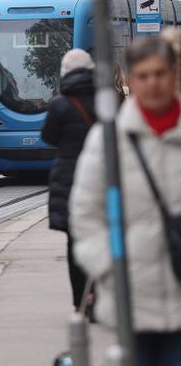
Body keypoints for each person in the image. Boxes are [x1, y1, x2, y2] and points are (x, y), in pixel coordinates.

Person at [70, 38, 181, 366]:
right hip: (132, 299)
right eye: (143, 75)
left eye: (160, 73)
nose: (153, 83)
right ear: (130, 80)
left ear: (174, 75)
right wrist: (109, 268)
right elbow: (84, 214)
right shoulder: (108, 139)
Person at [41, 49, 96, 311]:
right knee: (102, 238)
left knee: (75, 243)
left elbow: (49, 137)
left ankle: (79, 301)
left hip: (69, 178)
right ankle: (98, 292)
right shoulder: (105, 101)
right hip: (100, 176)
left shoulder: (60, 104)